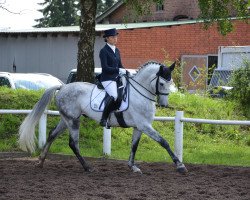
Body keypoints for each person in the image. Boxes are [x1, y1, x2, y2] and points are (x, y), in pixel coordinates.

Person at [99, 28, 126, 127]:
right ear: (107, 38)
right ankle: (104, 118)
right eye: (113, 37)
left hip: (117, 78)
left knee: (124, 94)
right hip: (107, 78)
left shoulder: (117, 50)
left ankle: (117, 114)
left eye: (116, 37)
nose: (115, 39)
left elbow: (120, 65)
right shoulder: (103, 51)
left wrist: (126, 71)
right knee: (114, 96)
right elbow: (105, 68)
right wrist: (118, 70)